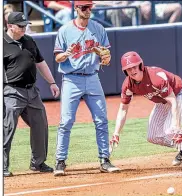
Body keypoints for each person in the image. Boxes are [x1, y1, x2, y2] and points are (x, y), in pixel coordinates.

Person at [109, 51, 182, 169]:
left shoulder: (156, 77)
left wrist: (176, 128)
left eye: (134, 66)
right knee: (152, 136)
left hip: (179, 94)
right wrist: (116, 133)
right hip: (162, 100)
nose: (132, 71)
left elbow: (172, 101)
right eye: (128, 68)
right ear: (124, 71)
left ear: (140, 65)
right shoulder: (128, 85)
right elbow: (123, 109)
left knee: (171, 130)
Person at [53, 0, 120, 176]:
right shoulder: (65, 30)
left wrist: (105, 58)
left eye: (89, 7)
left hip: (92, 77)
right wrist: (65, 54)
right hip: (71, 79)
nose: (87, 10)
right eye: (84, 7)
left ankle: (104, 159)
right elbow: (57, 57)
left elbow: (107, 57)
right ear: (76, 9)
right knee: (66, 121)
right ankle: (60, 161)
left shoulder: (98, 28)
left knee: (101, 119)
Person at [3, 12, 60, 177]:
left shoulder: (29, 40)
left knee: (40, 125)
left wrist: (52, 82)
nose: (24, 28)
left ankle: (38, 163)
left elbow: (40, 63)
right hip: (11, 92)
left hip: (32, 91)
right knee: (7, 129)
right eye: (20, 26)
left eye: (25, 25)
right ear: (10, 26)